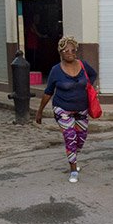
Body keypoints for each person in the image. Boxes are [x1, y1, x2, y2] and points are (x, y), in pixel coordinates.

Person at [35, 37, 98, 183]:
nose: (70, 53)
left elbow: (93, 74)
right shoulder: (56, 70)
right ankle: (73, 169)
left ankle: (73, 158)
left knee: (81, 138)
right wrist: (40, 112)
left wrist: (89, 86)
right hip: (62, 109)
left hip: (81, 109)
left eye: (72, 50)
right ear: (60, 52)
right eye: (66, 50)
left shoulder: (83, 65)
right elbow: (48, 92)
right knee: (70, 137)